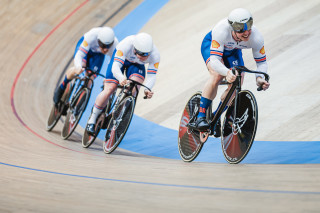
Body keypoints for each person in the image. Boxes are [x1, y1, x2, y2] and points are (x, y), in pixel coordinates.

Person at [189, 8, 270, 136]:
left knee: (238, 80)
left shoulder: (256, 37)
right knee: (217, 75)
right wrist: (226, 72)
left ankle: (215, 117)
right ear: (232, 27)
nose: (246, 33)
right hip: (212, 46)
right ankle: (201, 116)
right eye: (241, 29)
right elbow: (215, 61)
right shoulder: (221, 30)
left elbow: (261, 62)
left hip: (233, 51)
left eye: (248, 27)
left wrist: (259, 78)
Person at [86, 32, 160, 134]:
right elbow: (115, 67)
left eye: (145, 55)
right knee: (110, 88)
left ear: (150, 51)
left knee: (135, 88)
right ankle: (92, 120)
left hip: (136, 66)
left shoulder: (155, 55)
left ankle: (117, 114)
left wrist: (147, 89)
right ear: (134, 48)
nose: (141, 57)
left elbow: (152, 75)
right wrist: (121, 78)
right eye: (138, 53)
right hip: (121, 61)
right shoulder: (125, 44)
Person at [53, 27, 118, 106]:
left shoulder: (115, 46)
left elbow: (113, 65)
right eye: (103, 46)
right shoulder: (91, 36)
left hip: (98, 55)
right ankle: (62, 86)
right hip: (86, 48)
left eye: (108, 46)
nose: (105, 50)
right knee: (80, 67)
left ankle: (77, 107)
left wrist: (107, 78)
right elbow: (79, 55)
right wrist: (78, 67)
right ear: (98, 40)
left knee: (90, 79)